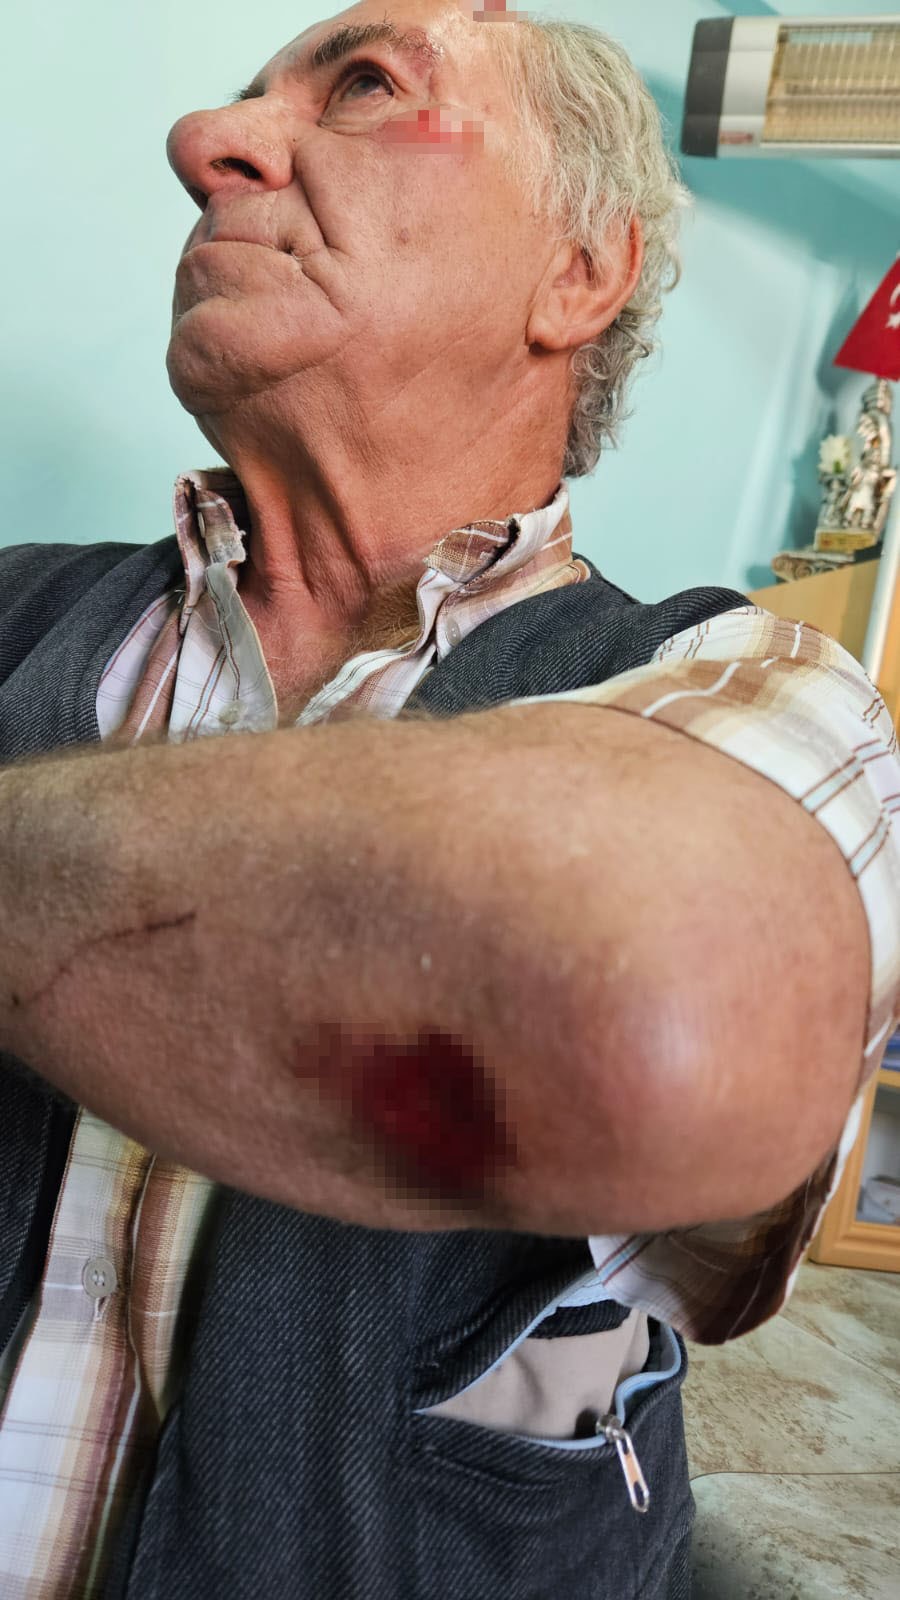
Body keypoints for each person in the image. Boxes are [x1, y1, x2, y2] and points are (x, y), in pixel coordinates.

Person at [0, 3, 896, 1596]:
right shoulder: (15, 612)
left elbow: (666, 1011)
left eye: (362, 85)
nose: (207, 144)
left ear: (580, 275)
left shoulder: (753, 684)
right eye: (234, 102)